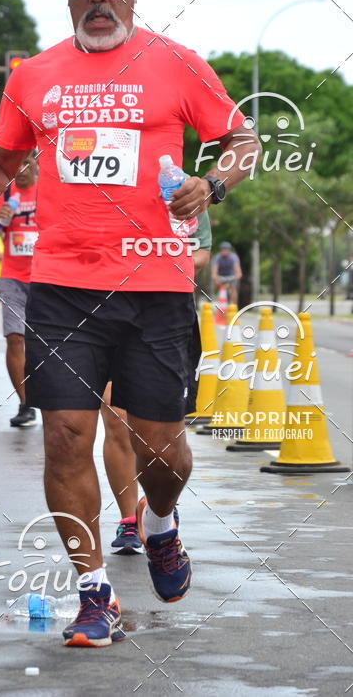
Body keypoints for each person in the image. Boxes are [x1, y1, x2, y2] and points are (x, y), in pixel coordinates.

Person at [0, 0, 259, 647]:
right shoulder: (34, 75)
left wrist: (212, 184)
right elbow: (1, 157)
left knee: (161, 453)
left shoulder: (176, 62)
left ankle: (160, 524)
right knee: (64, 438)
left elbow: (244, 140)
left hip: (155, 285)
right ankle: (94, 593)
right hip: (61, 285)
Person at [102, 214, 212, 555]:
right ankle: (128, 520)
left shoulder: (181, 192)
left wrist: (157, 263)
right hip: (106, 307)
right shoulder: (102, 191)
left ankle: (158, 506)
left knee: (159, 437)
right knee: (116, 419)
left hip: (165, 313)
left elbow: (201, 252)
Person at [0, 155, 39, 428]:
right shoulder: (5, 194)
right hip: (13, 278)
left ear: (37, 164)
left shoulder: (49, 191)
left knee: (47, 344)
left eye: (26, 162)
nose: (21, 169)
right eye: (16, 163)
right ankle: (25, 403)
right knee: (15, 339)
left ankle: (54, 400)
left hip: (46, 277)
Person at [211, 241, 242, 305]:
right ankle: (217, 301)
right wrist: (216, 279)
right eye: (223, 249)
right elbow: (214, 272)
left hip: (231, 276)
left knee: (233, 288)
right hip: (220, 276)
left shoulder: (233, 257)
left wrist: (236, 277)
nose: (224, 251)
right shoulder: (217, 257)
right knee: (216, 285)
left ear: (229, 250)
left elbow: (238, 272)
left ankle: (234, 305)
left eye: (226, 249)